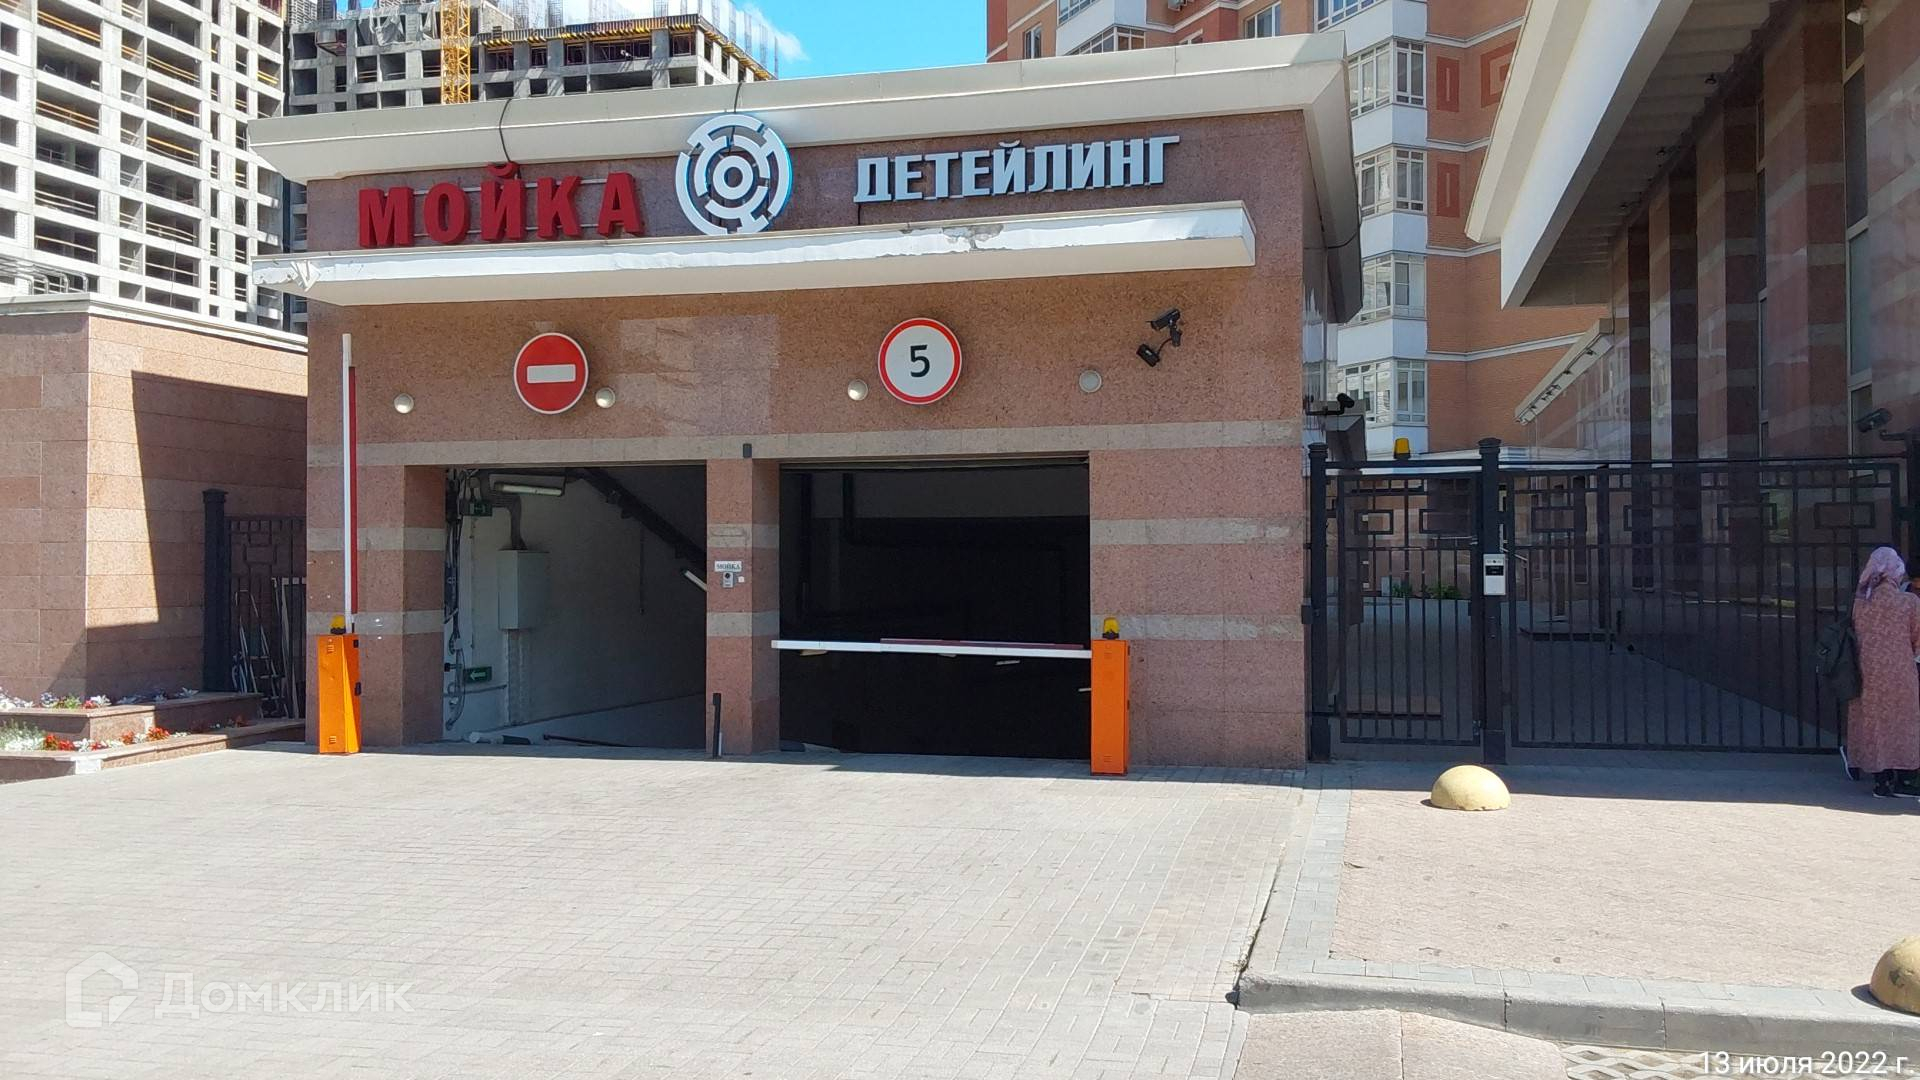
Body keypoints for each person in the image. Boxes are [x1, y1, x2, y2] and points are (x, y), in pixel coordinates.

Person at [1847, 547, 1920, 798]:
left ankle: (1881, 780)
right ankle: (1904, 780)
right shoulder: (1909, 602)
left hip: (1867, 673)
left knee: (1875, 724)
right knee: (1903, 723)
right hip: (1901, 674)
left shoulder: (1860, 603)